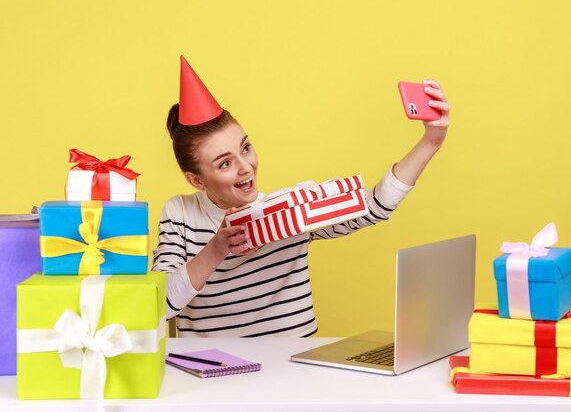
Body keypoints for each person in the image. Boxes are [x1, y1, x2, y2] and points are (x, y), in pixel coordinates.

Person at [153, 56, 450, 337]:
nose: (246, 167)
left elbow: (374, 206)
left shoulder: (290, 212)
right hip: (215, 371)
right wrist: (216, 249)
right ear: (196, 180)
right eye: (225, 163)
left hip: (294, 369)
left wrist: (431, 141)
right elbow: (156, 307)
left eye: (245, 148)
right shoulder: (180, 214)